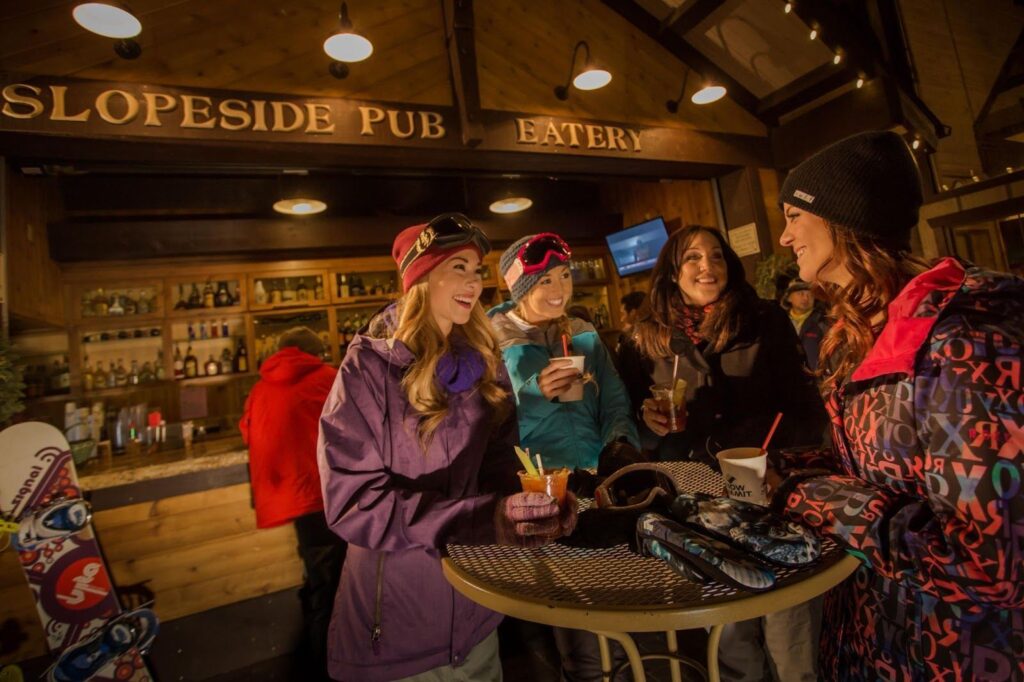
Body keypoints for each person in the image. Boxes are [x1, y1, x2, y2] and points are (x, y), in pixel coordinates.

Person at [773, 130, 1024, 680]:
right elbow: (887, 473)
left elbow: (988, 562)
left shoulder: (967, 340)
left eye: (795, 215)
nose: (786, 235)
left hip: (957, 653)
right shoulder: (860, 329)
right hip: (877, 635)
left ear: (844, 215)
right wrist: (788, 470)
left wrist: (809, 498)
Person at [317, 214, 575, 682]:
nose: (474, 282)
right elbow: (352, 503)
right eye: (458, 266)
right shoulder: (368, 370)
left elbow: (501, 460)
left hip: (478, 616)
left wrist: (524, 506)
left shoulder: (485, 361)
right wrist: (482, 519)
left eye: (478, 270)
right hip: (396, 631)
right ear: (420, 277)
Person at [617, 225, 829, 681]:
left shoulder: (763, 319)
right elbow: (633, 432)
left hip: (762, 486)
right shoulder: (645, 340)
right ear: (673, 272)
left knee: (786, 619)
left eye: (716, 256)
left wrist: (766, 452)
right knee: (728, 626)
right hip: (696, 499)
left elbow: (808, 410)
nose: (706, 267)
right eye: (692, 258)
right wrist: (647, 423)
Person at [489, 232, 643, 682]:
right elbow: (484, 424)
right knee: (553, 618)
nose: (559, 289)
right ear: (518, 289)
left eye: (563, 276)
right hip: (537, 489)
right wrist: (535, 394)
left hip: (593, 483)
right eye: (543, 282)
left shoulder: (582, 332)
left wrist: (618, 445)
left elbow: (614, 401)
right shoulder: (491, 339)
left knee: (606, 607)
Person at [239, 326, 343, 681]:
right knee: (333, 585)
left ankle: (321, 659)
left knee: (319, 578)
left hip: (291, 499)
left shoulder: (259, 387)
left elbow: (247, 431)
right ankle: (329, 666)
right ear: (315, 352)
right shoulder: (329, 377)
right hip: (328, 495)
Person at [780, 279, 828, 370]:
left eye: (810, 295)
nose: (806, 298)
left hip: (814, 378)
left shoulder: (823, 322)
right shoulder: (779, 320)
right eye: (800, 294)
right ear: (789, 297)